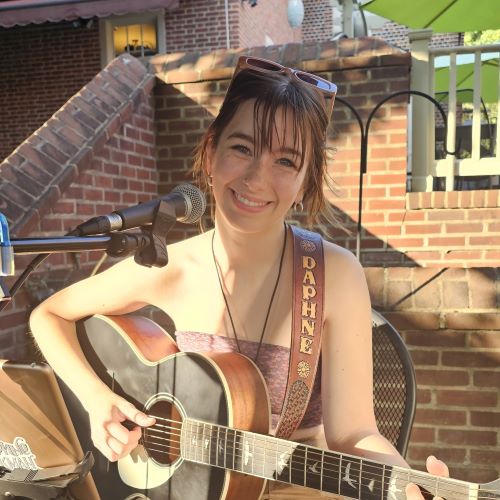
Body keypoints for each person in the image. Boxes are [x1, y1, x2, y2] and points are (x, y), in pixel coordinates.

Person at [30, 55, 449, 499]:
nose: (255, 178)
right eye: (243, 149)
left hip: (297, 485)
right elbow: (49, 315)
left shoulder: (334, 274)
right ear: (211, 152)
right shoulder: (171, 265)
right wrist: (97, 399)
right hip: (189, 486)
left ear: (307, 180)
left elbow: (354, 434)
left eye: (285, 161)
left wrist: (407, 483)